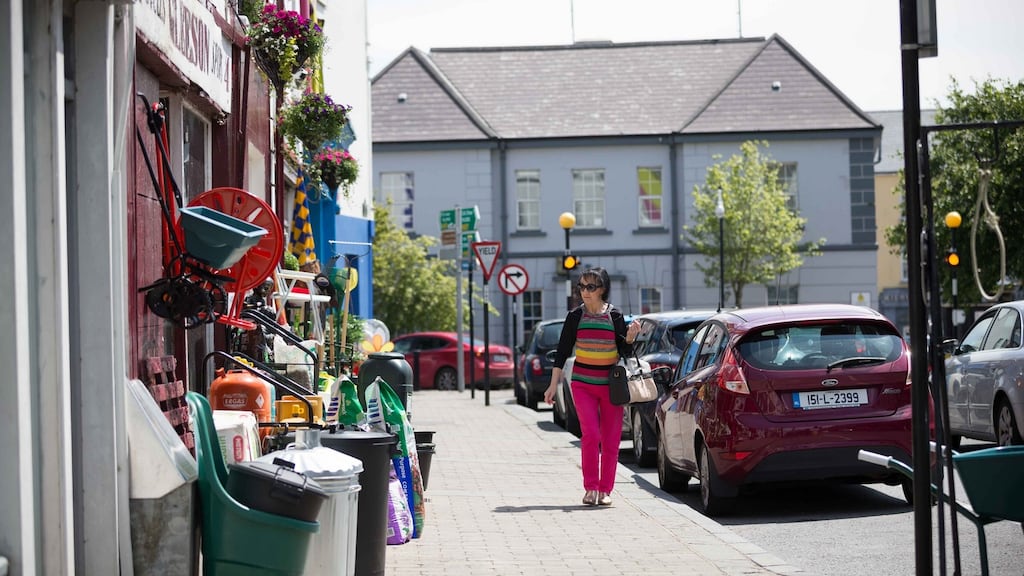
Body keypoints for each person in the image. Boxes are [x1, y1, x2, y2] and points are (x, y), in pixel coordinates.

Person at [543, 267, 641, 506]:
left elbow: (624, 352)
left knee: (610, 440)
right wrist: (552, 385)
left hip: (611, 387)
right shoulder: (575, 316)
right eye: (582, 286)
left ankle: (606, 490)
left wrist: (629, 338)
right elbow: (562, 353)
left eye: (591, 287)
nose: (584, 292)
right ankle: (590, 488)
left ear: (602, 290)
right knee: (591, 435)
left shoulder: (615, 316)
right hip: (583, 384)